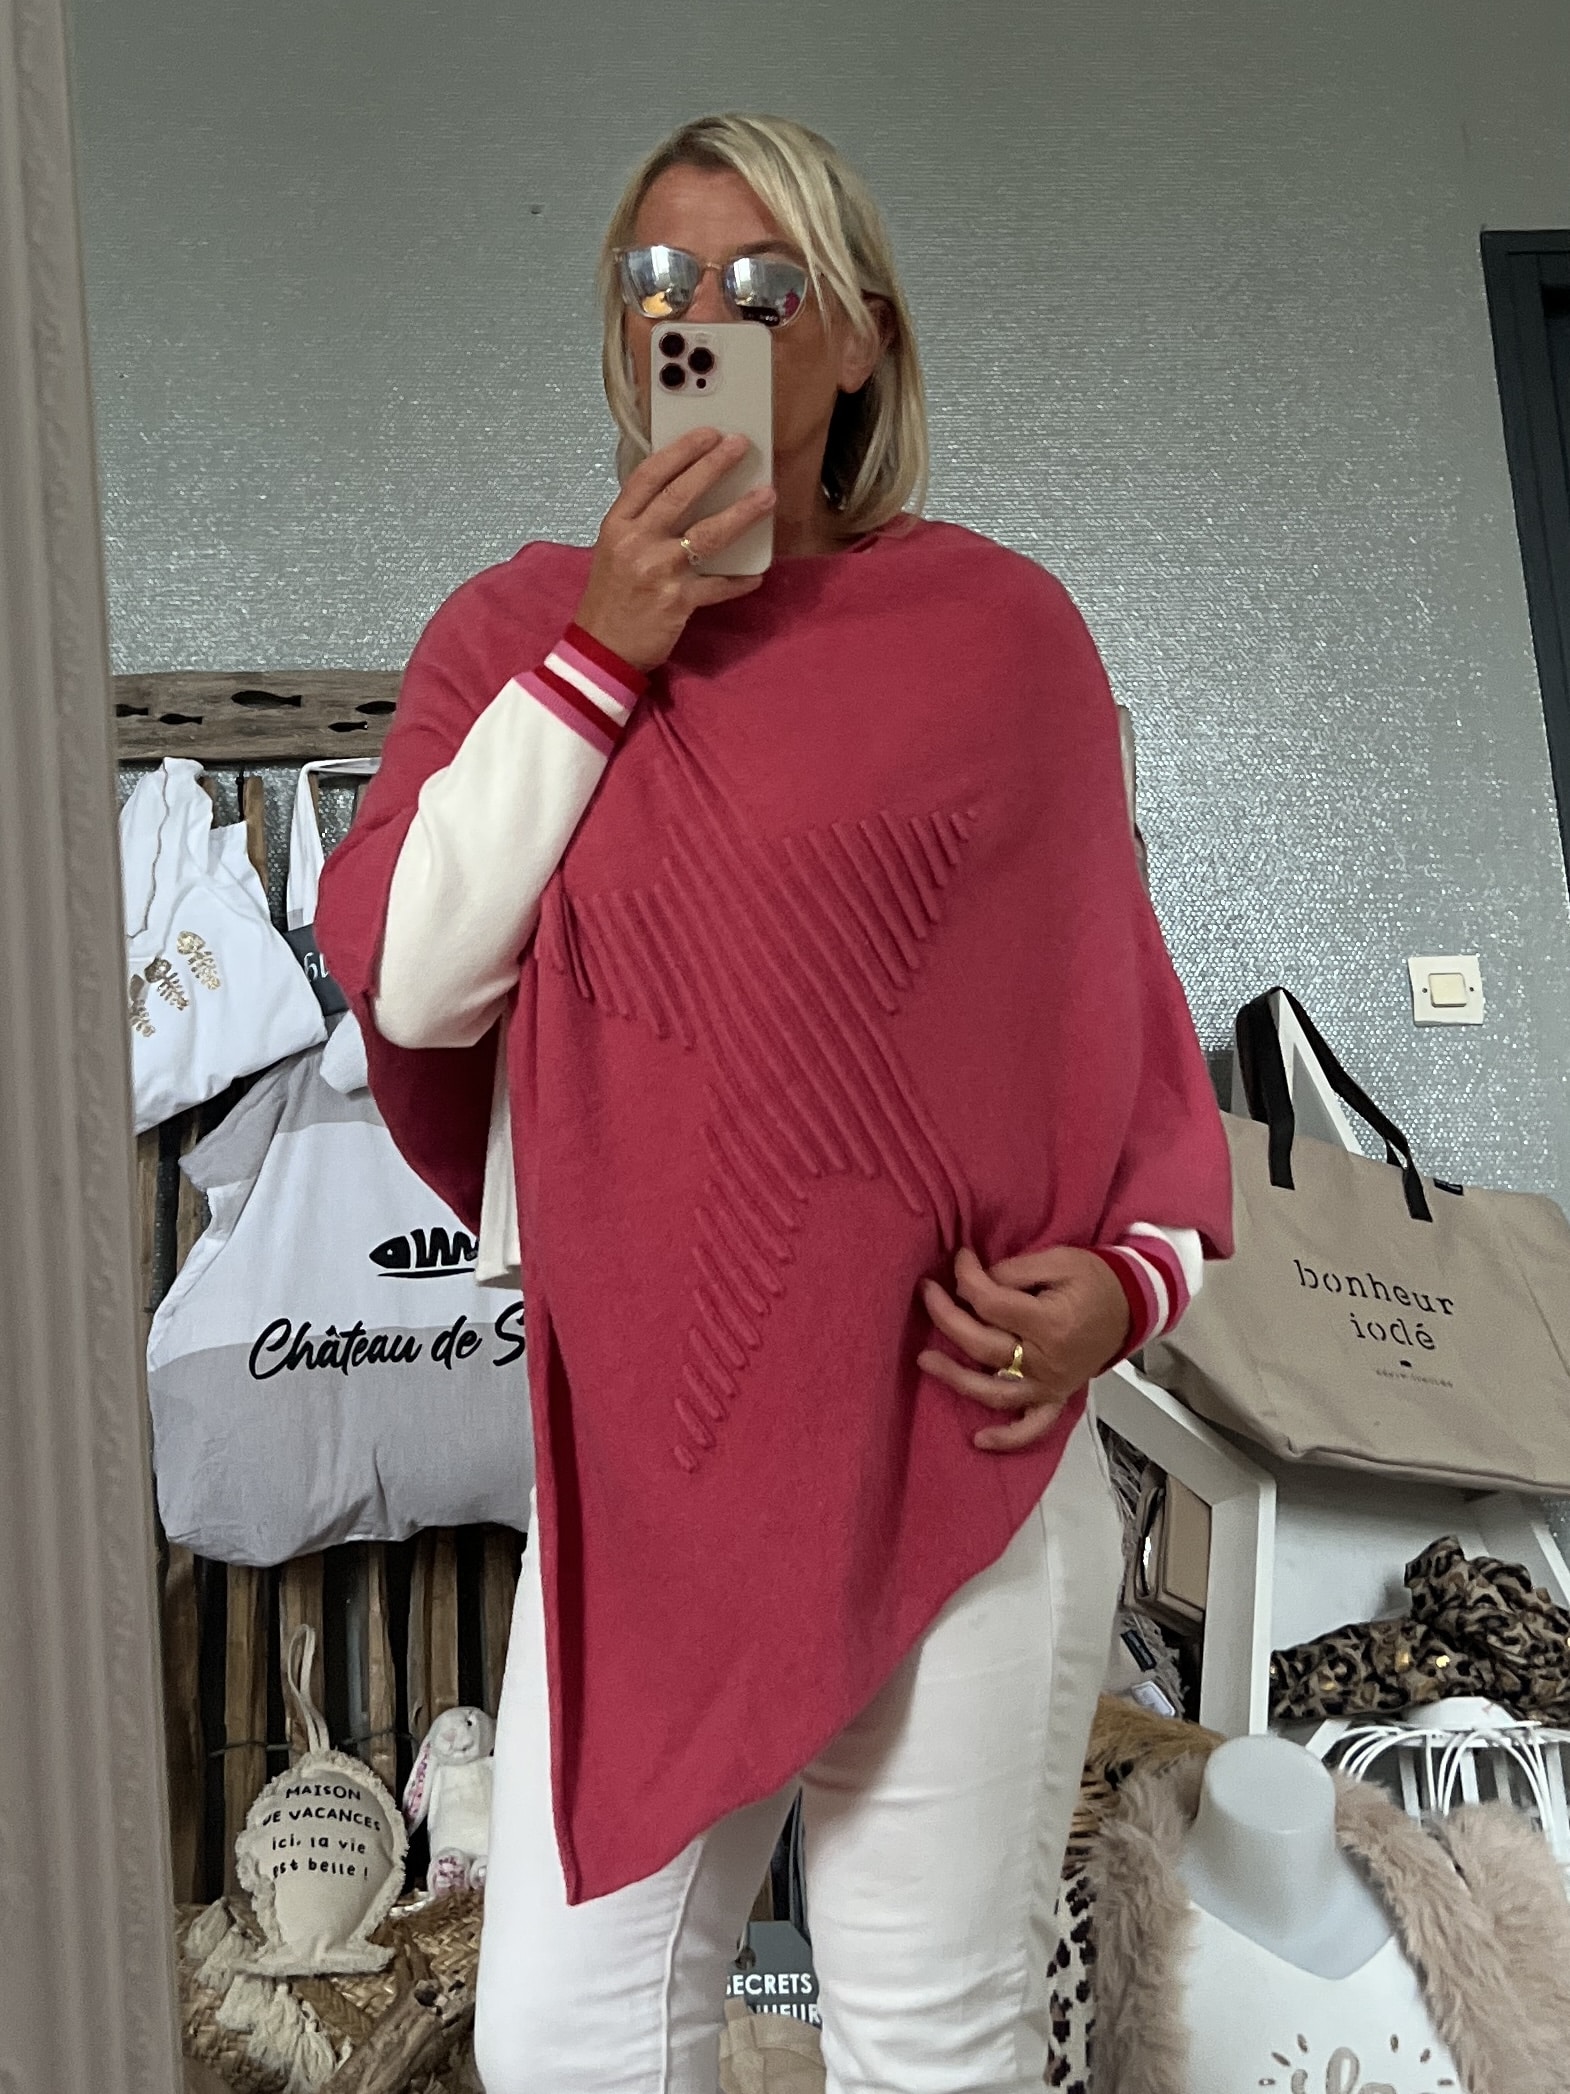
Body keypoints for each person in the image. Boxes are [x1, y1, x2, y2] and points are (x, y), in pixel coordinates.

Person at [317, 111, 1232, 2094]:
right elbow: (417, 971)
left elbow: (1117, 1029)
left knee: (931, 2045)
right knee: (562, 2040)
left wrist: (1123, 1288)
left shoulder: (1000, 639)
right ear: (616, 334)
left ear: (861, 339)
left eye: (763, 285)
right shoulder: (514, 630)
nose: (703, 320)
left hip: (958, 1438)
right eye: (659, 284)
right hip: (655, 1476)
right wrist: (606, 654)